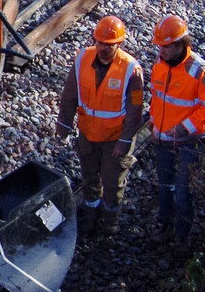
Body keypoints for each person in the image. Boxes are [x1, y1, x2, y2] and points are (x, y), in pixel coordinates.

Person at [55, 15, 144, 237]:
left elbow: (134, 111)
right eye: (100, 42)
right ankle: (90, 216)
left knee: (113, 183)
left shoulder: (131, 70)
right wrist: (64, 123)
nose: (103, 48)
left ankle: (110, 221)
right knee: (90, 178)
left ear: (119, 44)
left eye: (109, 44)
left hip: (115, 138)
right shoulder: (82, 59)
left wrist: (124, 141)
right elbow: (70, 93)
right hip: (88, 134)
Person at [149, 15, 205, 258]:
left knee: (183, 191)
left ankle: (182, 238)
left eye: (167, 46)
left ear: (181, 44)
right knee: (165, 186)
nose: (162, 50)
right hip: (164, 139)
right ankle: (165, 227)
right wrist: (155, 124)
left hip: (192, 140)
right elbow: (158, 98)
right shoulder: (160, 64)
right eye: (160, 46)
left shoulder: (199, 71)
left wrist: (184, 127)